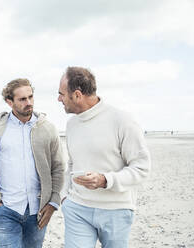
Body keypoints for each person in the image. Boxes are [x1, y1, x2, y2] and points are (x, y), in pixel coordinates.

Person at [58, 67, 151, 248]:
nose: (59, 99)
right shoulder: (71, 125)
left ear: (77, 95)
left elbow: (142, 168)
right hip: (77, 209)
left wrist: (105, 180)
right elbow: (72, 163)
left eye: (61, 94)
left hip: (116, 210)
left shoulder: (122, 121)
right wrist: (64, 197)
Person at [0, 78, 64, 248]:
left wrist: (53, 202)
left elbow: (58, 167)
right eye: (22, 99)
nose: (29, 102)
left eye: (30, 97)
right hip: (6, 210)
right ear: (9, 102)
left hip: (38, 212)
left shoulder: (48, 128)